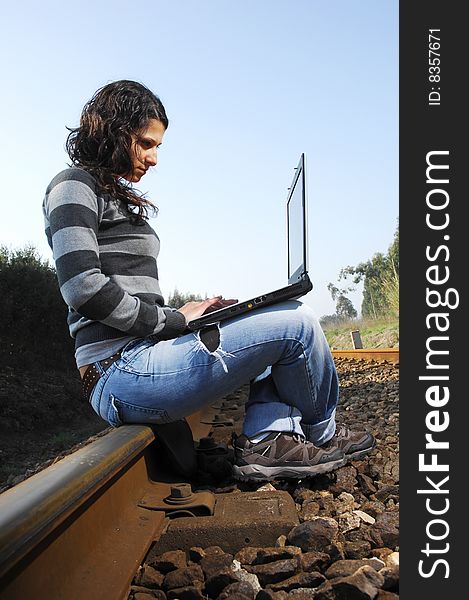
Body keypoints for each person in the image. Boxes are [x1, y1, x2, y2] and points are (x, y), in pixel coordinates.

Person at [43, 79, 375, 481]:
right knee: (298, 324)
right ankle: (323, 435)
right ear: (114, 131)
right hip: (118, 371)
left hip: (141, 356)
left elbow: (127, 295)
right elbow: (84, 287)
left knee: (275, 315)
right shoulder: (73, 185)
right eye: (146, 143)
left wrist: (184, 314)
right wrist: (175, 322)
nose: (153, 158)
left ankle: (271, 438)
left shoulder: (114, 196)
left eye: (157, 147)